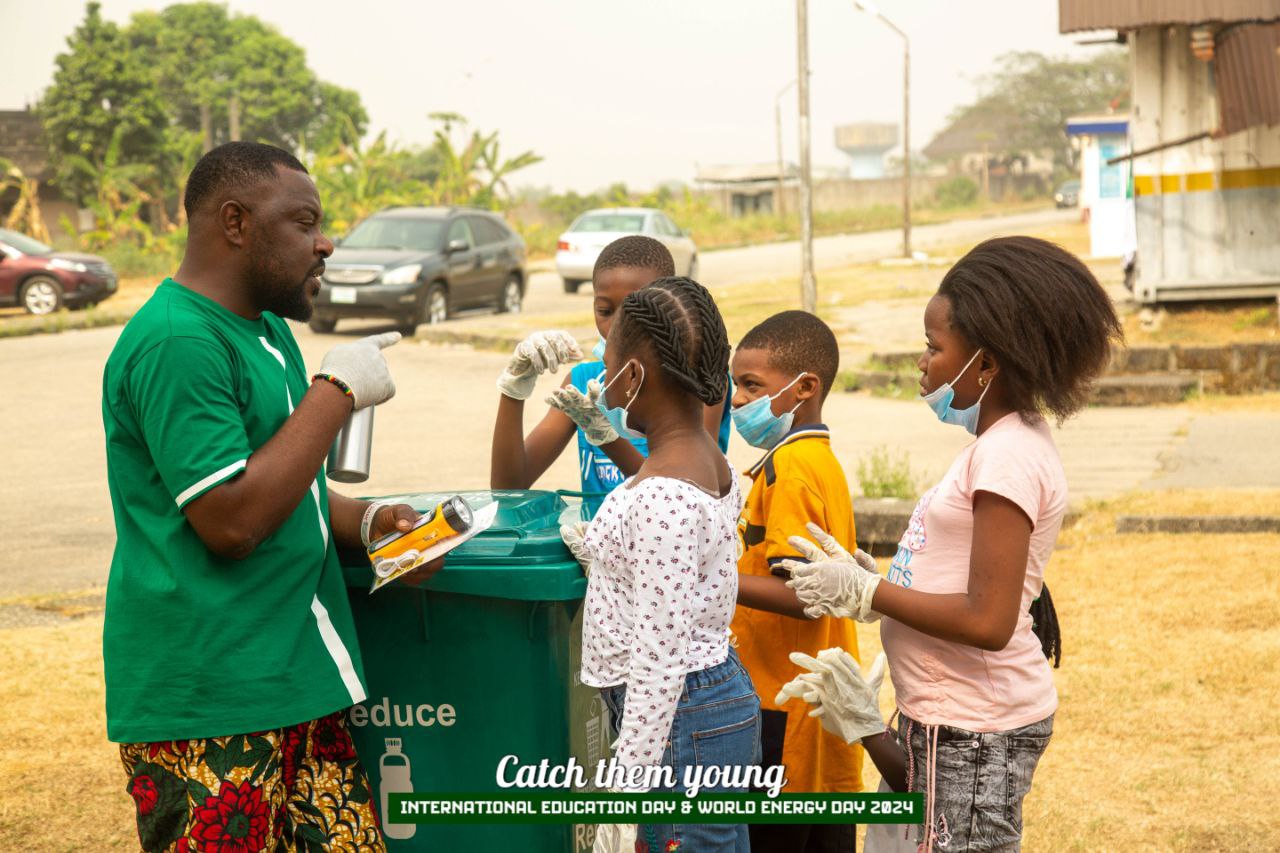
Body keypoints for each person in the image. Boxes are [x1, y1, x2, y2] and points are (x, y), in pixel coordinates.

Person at [102, 142, 441, 852]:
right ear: (235, 223)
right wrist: (337, 390)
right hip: (214, 699)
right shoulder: (177, 340)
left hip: (299, 681)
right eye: (304, 222)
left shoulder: (267, 332)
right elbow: (231, 519)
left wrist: (376, 520)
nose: (325, 243)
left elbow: (296, 492)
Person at [778, 236, 1122, 852]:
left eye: (935, 349)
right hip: (952, 721)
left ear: (985, 365)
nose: (922, 363)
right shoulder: (1000, 446)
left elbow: (989, 620)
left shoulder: (1008, 456)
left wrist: (869, 591)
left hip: (972, 725)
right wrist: (874, 596)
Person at [577, 277, 759, 853]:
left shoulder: (660, 499)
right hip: (703, 702)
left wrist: (624, 800)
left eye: (607, 368)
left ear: (633, 376)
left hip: (680, 717)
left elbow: (659, 660)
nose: (602, 382)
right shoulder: (706, 456)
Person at [727, 311, 865, 853]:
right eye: (737, 384)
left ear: (806, 386)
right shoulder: (816, 458)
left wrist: (711, 579)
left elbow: (803, 597)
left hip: (781, 708)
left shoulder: (792, 469)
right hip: (820, 707)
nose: (738, 400)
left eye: (752, 385)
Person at [489, 236, 730, 517]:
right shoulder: (584, 382)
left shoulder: (697, 379)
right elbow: (509, 486)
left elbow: (683, 495)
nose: (616, 327)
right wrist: (513, 389)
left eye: (633, 312)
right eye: (604, 311)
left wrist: (606, 437)